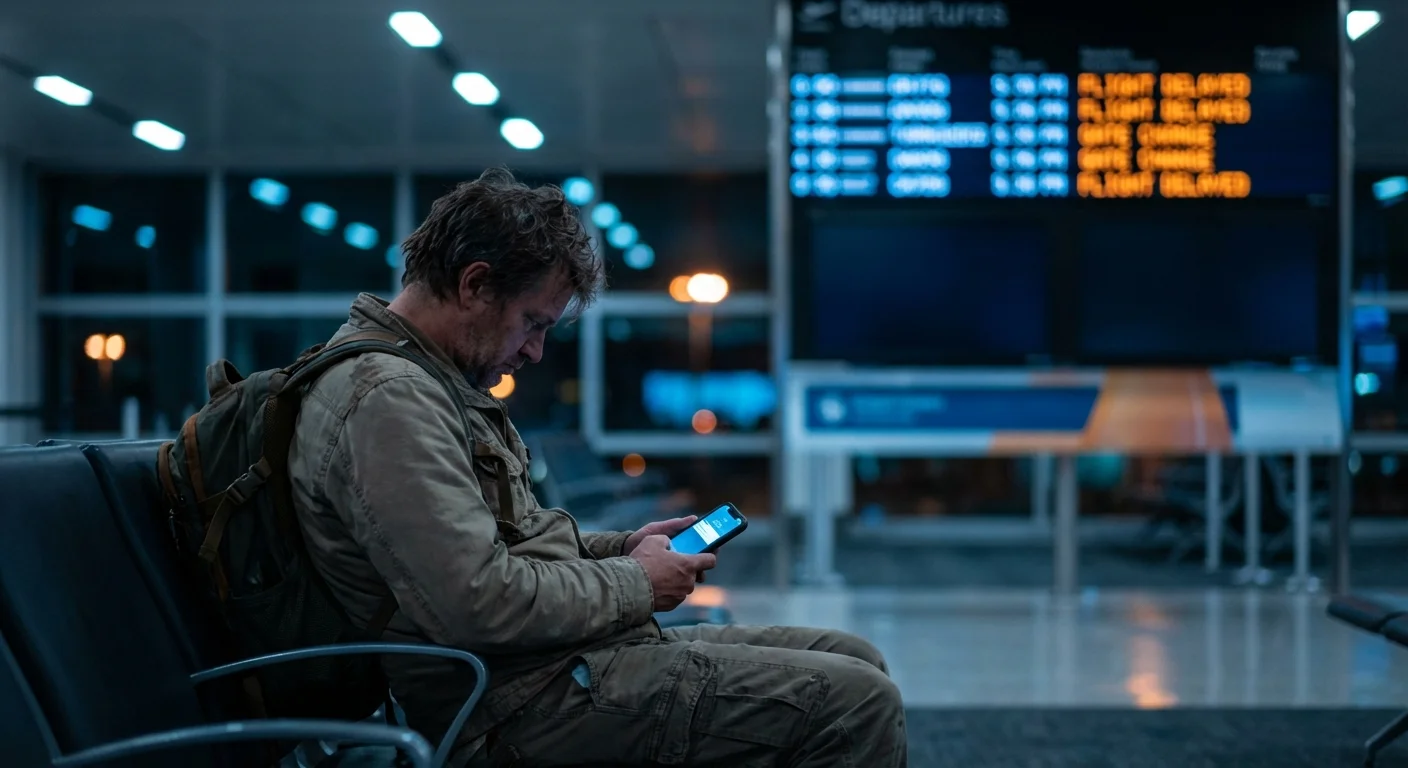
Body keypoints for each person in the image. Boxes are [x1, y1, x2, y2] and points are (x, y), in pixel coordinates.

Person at [288, 168, 907, 767]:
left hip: (554, 664)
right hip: (515, 706)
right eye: (532, 323)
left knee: (853, 656)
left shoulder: (429, 384)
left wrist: (622, 548)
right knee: (856, 704)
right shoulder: (390, 400)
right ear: (475, 285)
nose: (535, 351)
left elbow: (508, 545)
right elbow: (477, 603)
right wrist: (638, 582)